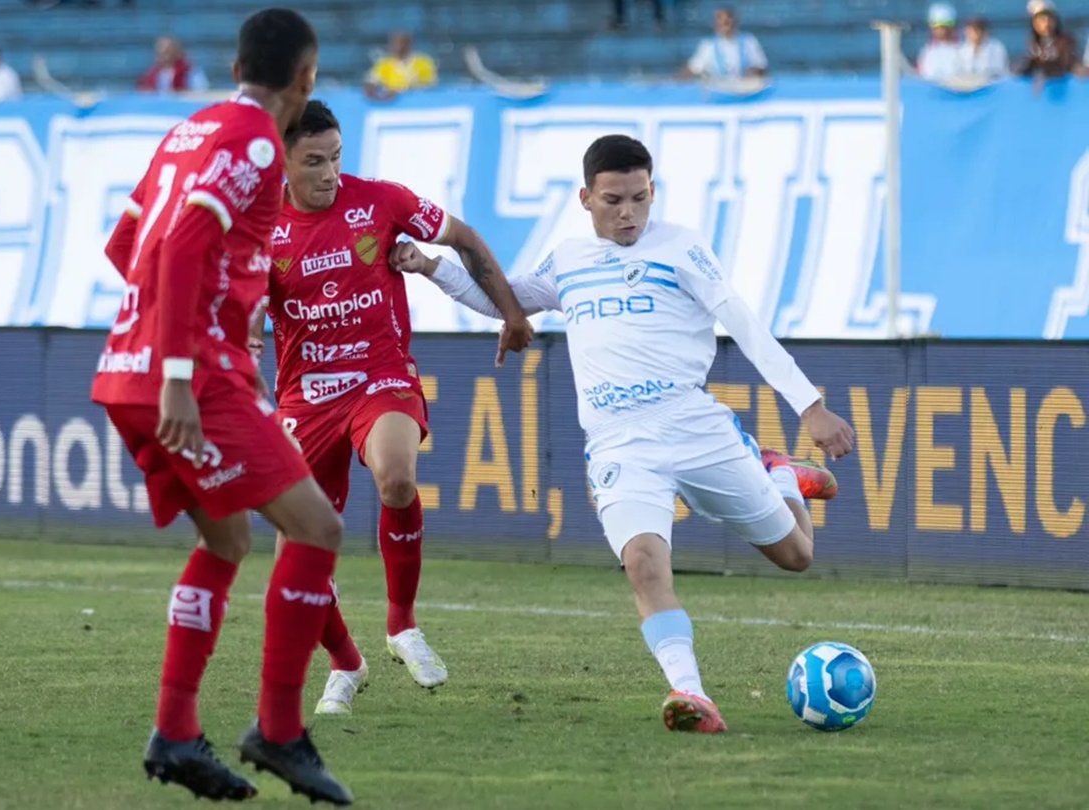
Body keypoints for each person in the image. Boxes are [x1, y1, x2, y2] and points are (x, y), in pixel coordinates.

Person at [394, 134, 853, 734]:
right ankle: (690, 692)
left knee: (797, 554)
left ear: (652, 191)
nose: (628, 212)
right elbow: (505, 301)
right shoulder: (569, 260)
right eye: (613, 199)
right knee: (643, 563)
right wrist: (432, 267)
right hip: (619, 444)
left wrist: (810, 405)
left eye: (639, 198)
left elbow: (743, 321)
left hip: (694, 429)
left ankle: (782, 473)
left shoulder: (683, 248)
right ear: (586, 197)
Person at [94, 9, 354, 805]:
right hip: (189, 379)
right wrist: (184, 365)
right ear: (305, 78)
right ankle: (278, 727)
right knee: (317, 526)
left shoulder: (189, 129)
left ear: (238, 62)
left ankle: (174, 731)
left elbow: (125, 242)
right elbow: (178, 247)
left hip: (125, 367)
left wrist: (173, 332)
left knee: (230, 536)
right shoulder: (249, 140)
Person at [251, 99, 533, 716]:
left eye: (336, 158)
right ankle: (346, 664)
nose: (329, 173)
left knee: (397, 474)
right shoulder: (260, 228)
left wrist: (512, 312)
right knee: (294, 556)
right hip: (305, 395)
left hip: (379, 374)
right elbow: (241, 309)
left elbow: (463, 237)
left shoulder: (379, 200)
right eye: (314, 162)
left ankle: (402, 624)